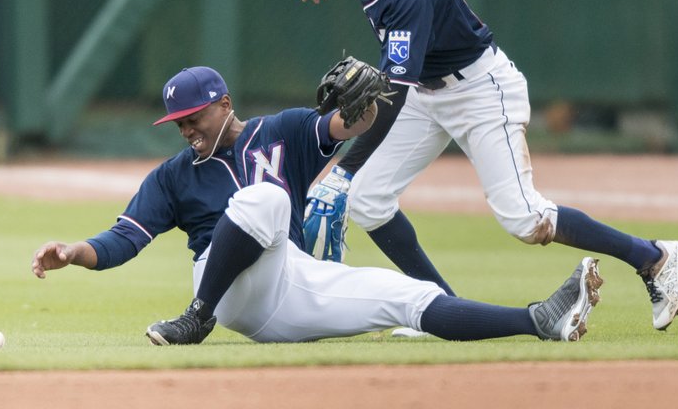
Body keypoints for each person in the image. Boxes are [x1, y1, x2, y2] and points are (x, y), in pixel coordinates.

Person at [297, 0, 678, 333]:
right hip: (427, 90)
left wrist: (344, 169)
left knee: (525, 218)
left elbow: (393, 96)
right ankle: (443, 309)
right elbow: (400, 75)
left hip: (480, 91)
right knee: (368, 202)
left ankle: (653, 257)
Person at [31, 64, 603, 345]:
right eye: (176, 123)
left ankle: (539, 320)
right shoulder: (174, 177)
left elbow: (344, 125)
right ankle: (195, 319)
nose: (185, 130)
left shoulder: (282, 130)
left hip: (293, 284)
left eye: (194, 118)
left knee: (411, 297)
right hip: (226, 289)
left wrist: (367, 106)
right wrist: (76, 250)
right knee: (263, 199)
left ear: (224, 104)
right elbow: (125, 239)